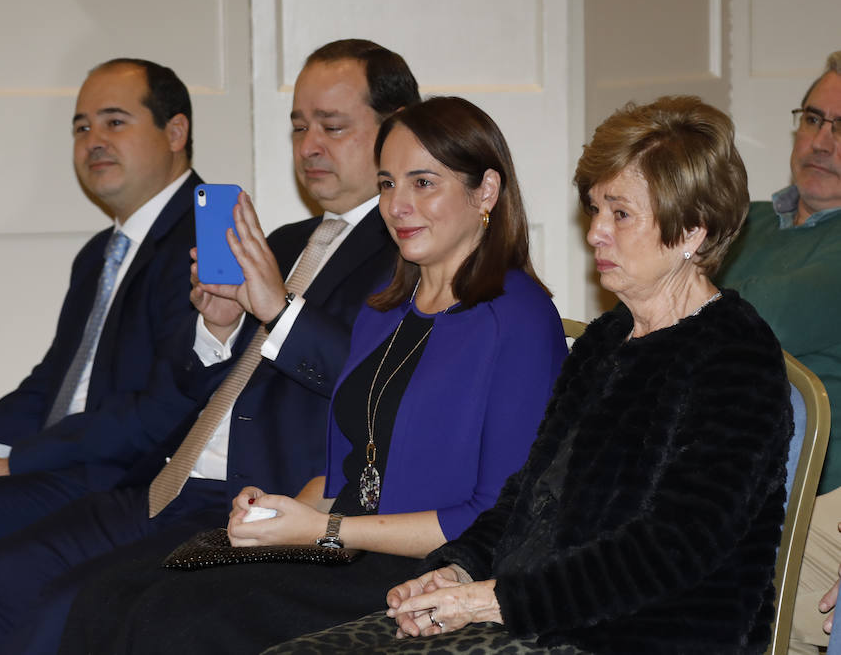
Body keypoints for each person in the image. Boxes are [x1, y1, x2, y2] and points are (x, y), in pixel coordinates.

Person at [0, 39, 416, 655]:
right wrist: (217, 328)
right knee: (0, 579)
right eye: (299, 126)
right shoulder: (287, 238)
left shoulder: (404, 250)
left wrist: (279, 310)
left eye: (332, 126)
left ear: (394, 130)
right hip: (173, 479)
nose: (309, 146)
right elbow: (192, 380)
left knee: (68, 610)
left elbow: (377, 386)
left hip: (257, 495)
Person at [275, 95, 793, 655]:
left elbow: (672, 548)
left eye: (620, 214)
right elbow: (527, 498)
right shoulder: (606, 341)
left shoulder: (734, 356)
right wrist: (455, 572)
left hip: (645, 634)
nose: (595, 233)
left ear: (693, 229)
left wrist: (492, 601)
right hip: (542, 617)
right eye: (594, 210)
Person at [57, 95, 567, 655]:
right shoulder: (384, 310)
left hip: (428, 570)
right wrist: (279, 513)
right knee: (107, 596)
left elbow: (497, 514)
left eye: (423, 183)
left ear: (485, 191)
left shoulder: (517, 317)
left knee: (176, 621)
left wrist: (321, 531)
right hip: (346, 547)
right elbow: (343, 474)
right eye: (387, 183)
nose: (397, 205)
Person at [0, 57, 203, 643]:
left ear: (176, 132)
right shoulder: (100, 254)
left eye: (114, 122)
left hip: (129, 481)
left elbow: (168, 407)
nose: (94, 142)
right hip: (68, 464)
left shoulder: (204, 240)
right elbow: (52, 379)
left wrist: (16, 464)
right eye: (82, 128)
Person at [718, 51, 841, 655]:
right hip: (707, 477)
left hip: (818, 498)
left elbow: (763, 320)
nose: (821, 141)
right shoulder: (746, 221)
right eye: (813, 118)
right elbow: (632, 320)